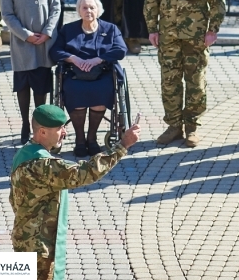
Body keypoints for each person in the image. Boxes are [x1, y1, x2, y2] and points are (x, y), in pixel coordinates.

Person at [10, 104, 141, 280]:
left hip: (25, 237)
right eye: (59, 128)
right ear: (42, 132)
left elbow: (13, 199)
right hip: (39, 246)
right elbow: (86, 172)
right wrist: (123, 145)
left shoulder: (24, 153)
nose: (64, 132)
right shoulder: (41, 164)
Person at [144, 0, 226, 147]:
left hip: (196, 35)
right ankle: (173, 126)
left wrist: (213, 29)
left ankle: (192, 126)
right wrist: (152, 28)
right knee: (169, 81)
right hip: (168, 34)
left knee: (195, 82)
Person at [49, 0, 127, 157]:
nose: (88, 11)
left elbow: (121, 50)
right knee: (73, 90)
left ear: (98, 10)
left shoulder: (110, 29)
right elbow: (55, 51)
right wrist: (74, 59)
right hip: (74, 74)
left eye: (92, 7)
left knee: (103, 91)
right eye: (84, 8)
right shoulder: (69, 29)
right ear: (79, 10)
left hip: (102, 73)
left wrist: (98, 59)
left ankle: (91, 138)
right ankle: (79, 139)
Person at [0, 0, 62, 144]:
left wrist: (48, 32)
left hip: (43, 42)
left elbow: (55, 6)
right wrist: (25, 34)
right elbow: (7, 14)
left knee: (41, 86)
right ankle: (25, 123)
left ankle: (40, 124)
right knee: (23, 85)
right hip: (23, 44)